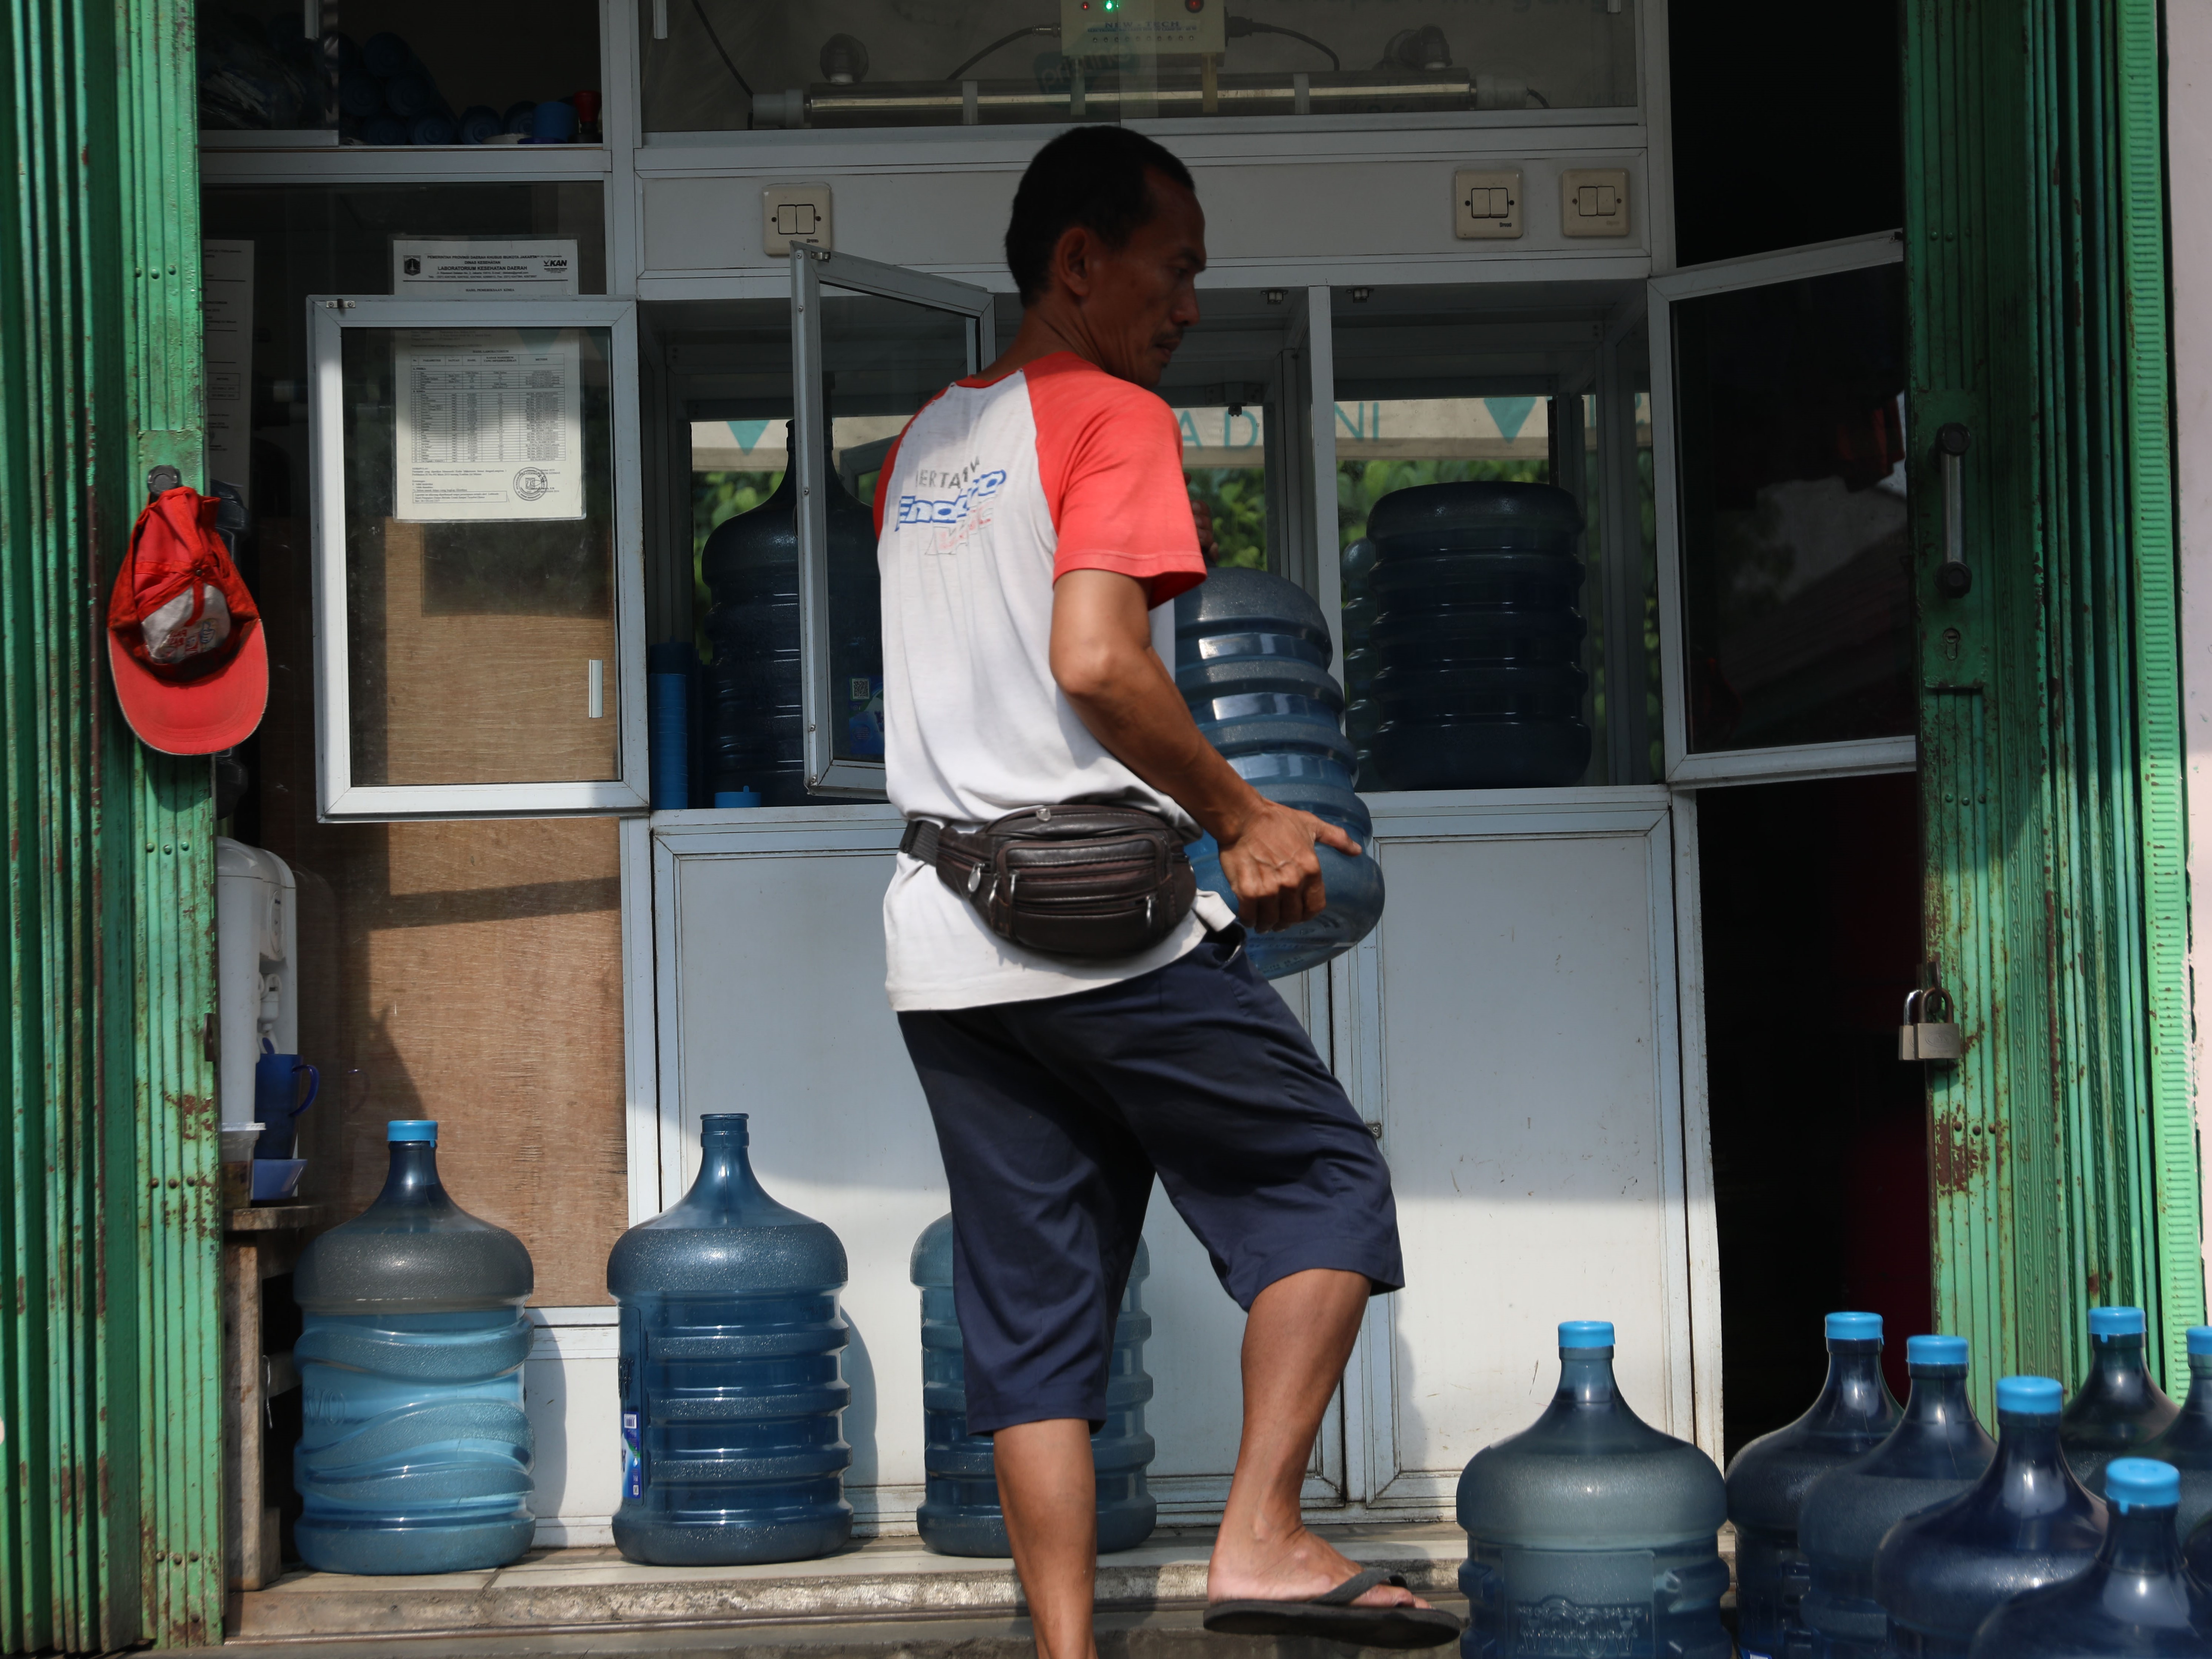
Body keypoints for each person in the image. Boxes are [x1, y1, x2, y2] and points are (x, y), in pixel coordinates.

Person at [872, 126, 1459, 1659]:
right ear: (1083, 260)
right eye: (1176, 268)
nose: (1191, 304)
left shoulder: (929, 443)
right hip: (1101, 928)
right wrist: (1243, 813)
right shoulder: (1110, 414)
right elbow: (1095, 660)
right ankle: (1260, 1538)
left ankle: (1067, 1651)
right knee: (1328, 1182)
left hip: (946, 938)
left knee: (1036, 1318)